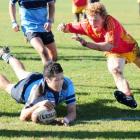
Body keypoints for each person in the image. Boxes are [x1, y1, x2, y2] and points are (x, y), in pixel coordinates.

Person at [58, 2, 140, 108]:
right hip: (114, 52)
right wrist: (63, 27)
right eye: (90, 19)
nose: (92, 23)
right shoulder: (87, 24)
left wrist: (86, 43)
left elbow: (107, 46)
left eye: (96, 20)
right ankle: (129, 97)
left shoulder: (111, 23)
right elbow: (70, 27)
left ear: (104, 18)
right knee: (115, 70)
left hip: (129, 48)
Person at [0, 47, 76, 125]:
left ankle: (5, 55)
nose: (61, 82)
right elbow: (22, 116)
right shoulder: (37, 91)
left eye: (62, 78)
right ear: (47, 80)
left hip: (36, 77)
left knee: (20, 71)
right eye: (56, 80)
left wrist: (66, 120)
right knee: (7, 86)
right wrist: (38, 105)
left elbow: (72, 111)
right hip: (24, 88)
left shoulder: (67, 83)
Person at [9, 0, 57, 65]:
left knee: (53, 56)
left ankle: (52, 73)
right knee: (42, 51)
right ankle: (47, 74)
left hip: (44, 26)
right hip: (29, 27)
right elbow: (11, 4)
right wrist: (14, 22)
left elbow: (51, 4)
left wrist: (49, 21)